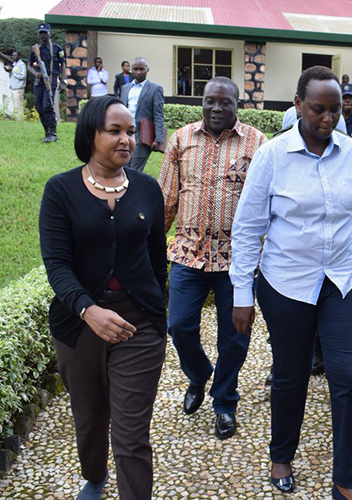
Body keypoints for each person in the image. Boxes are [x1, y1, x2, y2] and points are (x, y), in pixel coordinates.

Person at [230, 65, 352, 500]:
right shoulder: (273, 156)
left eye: (335, 109)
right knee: (290, 373)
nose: (327, 118)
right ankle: (282, 455)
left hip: (344, 278)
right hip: (286, 282)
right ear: (298, 105)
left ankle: (345, 480)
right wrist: (242, 294)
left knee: (351, 375)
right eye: (318, 109)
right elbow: (247, 229)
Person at [39, 96, 167, 500]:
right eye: (115, 131)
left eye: (131, 131)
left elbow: (156, 259)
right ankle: (94, 475)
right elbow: (57, 264)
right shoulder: (60, 190)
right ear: (90, 134)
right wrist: (87, 309)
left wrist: (158, 315)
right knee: (90, 420)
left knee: (131, 434)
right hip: (78, 326)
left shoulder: (147, 189)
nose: (127, 139)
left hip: (139, 326)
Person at [158, 77, 266, 439]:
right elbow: (166, 199)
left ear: (238, 105)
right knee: (179, 325)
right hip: (188, 253)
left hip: (237, 258)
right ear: (201, 102)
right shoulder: (181, 139)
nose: (217, 109)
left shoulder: (257, 144)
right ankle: (199, 374)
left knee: (235, 337)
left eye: (225, 103)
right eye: (210, 102)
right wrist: (149, 246)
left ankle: (224, 402)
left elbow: (269, 201)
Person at [119, 57, 165, 171]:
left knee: (135, 170)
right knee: (122, 168)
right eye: (135, 69)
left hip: (143, 136)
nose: (138, 72)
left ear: (147, 70)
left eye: (141, 69)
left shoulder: (155, 89)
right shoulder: (125, 88)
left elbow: (158, 114)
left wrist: (158, 138)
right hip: (125, 135)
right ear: (132, 70)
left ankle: (133, 188)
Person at [28, 22, 65, 143]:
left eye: (45, 33)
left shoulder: (57, 48)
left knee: (47, 105)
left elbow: (63, 64)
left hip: (52, 79)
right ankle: (46, 131)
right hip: (39, 81)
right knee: (39, 106)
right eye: (41, 33)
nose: (43, 35)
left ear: (49, 33)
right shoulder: (35, 49)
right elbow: (29, 65)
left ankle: (52, 132)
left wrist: (63, 80)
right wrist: (36, 73)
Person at [5, 50, 27, 120]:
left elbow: (23, 75)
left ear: (19, 56)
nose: (13, 57)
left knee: (18, 105)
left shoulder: (21, 64)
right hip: (13, 87)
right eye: (13, 55)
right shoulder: (14, 65)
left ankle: (20, 119)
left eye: (15, 55)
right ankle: (17, 118)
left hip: (18, 87)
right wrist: (10, 72)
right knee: (15, 105)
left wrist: (13, 72)